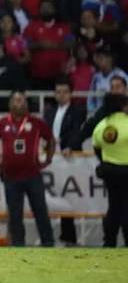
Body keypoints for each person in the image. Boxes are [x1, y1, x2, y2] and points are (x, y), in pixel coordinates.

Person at [0, 91, 56, 247]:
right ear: (10, 104)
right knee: (15, 215)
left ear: (26, 104)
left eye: (21, 100)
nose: (18, 103)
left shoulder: (36, 123)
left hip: (32, 175)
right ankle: (18, 245)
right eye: (15, 100)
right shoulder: (1, 123)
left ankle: (48, 243)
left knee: (40, 210)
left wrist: (48, 159)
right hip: (11, 177)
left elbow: (51, 140)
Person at [45, 78, 86, 245]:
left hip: (69, 158)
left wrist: (69, 145)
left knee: (68, 196)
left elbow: (77, 132)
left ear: (70, 93)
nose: (61, 95)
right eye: (58, 92)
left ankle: (69, 236)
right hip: (53, 158)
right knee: (55, 194)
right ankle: (58, 236)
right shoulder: (49, 112)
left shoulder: (78, 111)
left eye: (64, 92)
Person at [92, 99, 128, 247]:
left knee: (113, 207)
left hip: (109, 171)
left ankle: (109, 242)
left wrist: (106, 160)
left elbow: (96, 145)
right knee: (126, 208)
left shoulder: (103, 125)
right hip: (126, 171)